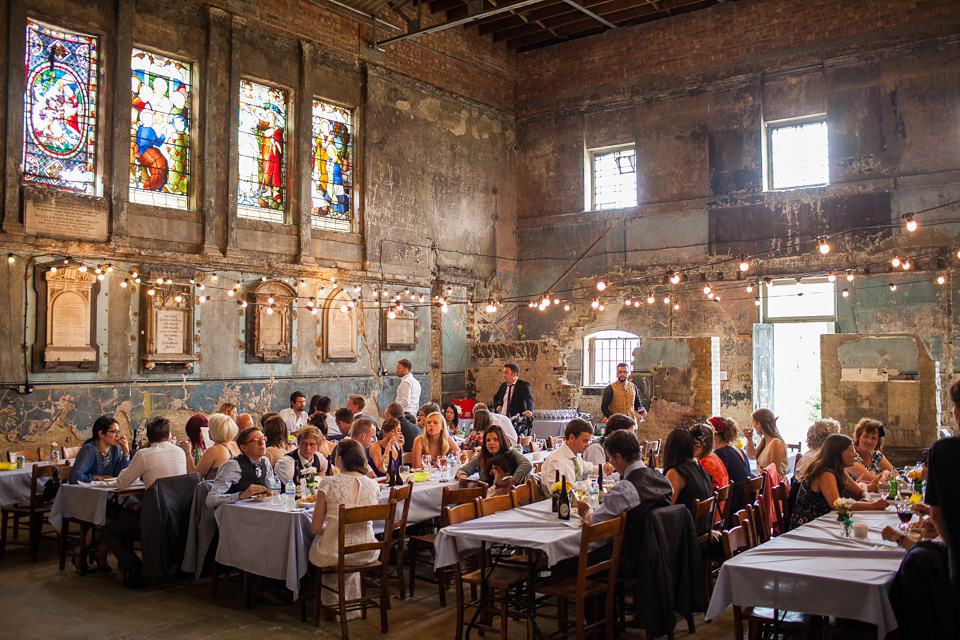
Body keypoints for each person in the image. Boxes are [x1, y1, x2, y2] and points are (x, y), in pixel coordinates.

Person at [103, 417, 187, 587]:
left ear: (148, 438)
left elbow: (121, 483)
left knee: (108, 530)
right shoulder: (179, 451)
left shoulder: (144, 454)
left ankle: (134, 566)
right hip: (179, 514)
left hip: (154, 518)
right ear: (169, 435)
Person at [576, 430, 673, 578]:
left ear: (619, 457)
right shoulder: (663, 480)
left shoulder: (626, 489)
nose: (611, 463)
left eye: (610, 458)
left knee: (570, 561)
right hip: (659, 552)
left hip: (631, 559)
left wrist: (585, 511)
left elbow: (595, 523)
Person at [309, 438, 381, 618]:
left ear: (339, 459)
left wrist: (330, 527)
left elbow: (316, 527)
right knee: (345, 542)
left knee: (319, 543)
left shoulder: (328, 483)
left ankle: (331, 606)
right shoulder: (373, 484)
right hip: (367, 550)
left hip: (337, 553)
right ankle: (351, 603)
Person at [789, 434, 888, 528]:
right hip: (810, 525)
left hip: (826, 521)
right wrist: (872, 506)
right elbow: (837, 505)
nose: (855, 454)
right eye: (851, 451)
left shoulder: (839, 470)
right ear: (838, 453)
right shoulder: (825, 472)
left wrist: (866, 500)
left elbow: (860, 492)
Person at [206, 426, 277, 508]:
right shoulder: (232, 466)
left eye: (263, 439)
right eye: (256, 440)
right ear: (244, 448)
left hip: (260, 510)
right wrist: (241, 495)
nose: (262, 443)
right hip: (235, 514)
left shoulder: (265, 462)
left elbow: (272, 490)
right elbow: (210, 500)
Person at [662, 426, 714, 535]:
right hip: (702, 531)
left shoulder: (677, 473)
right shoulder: (699, 467)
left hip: (686, 538)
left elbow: (666, 509)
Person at [541, 418, 610, 497]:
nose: (588, 444)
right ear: (572, 438)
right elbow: (557, 492)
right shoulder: (556, 461)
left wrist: (604, 468)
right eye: (584, 441)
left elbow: (589, 468)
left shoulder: (575, 456)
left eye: (589, 441)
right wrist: (586, 483)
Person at [456, 424, 531, 487]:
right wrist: (462, 476)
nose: (491, 443)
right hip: (488, 497)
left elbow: (527, 464)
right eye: (488, 440)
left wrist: (511, 483)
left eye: (495, 439)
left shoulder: (511, 453)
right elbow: (463, 470)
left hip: (509, 496)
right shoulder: (482, 456)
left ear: (501, 441)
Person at [709, 416, 752, 522]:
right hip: (746, 503)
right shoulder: (739, 450)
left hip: (732, 506)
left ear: (716, 436)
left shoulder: (719, 454)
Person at [69, 415, 131, 484]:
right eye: (114, 432)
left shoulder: (115, 449)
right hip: (87, 492)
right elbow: (74, 477)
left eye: (118, 432)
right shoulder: (89, 449)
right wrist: (99, 478)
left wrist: (125, 453)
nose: (118, 436)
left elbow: (122, 476)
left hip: (110, 491)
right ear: (101, 434)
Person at [691, 423, 729, 524]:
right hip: (719, 516)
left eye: (695, 443)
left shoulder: (704, 463)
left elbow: (700, 493)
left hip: (710, 519)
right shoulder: (715, 458)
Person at [186, 413, 240, 480]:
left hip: (216, 489)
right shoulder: (236, 445)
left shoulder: (214, 450)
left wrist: (188, 453)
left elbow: (194, 475)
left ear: (214, 431)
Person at [745, 408, 788, 480]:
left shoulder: (776, 443)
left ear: (759, 424)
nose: (753, 426)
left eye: (753, 422)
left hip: (774, 485)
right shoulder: (764, 440)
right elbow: (751, 456)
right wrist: (749, 439)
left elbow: (774, 472)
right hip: (765, 481)